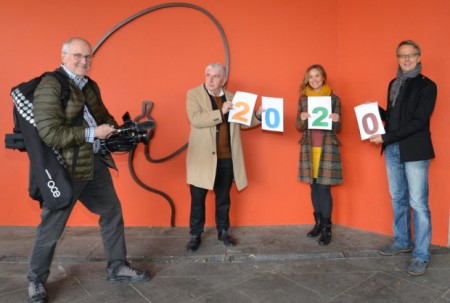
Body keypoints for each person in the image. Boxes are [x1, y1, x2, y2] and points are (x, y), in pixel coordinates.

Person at [27, 37, 150, 303]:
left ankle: (117, 267)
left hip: (93, 163)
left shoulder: (90, 85)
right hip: (64, 169)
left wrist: (118, 131)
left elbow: (103, 116)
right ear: (63, 56)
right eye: (78, 56)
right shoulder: (51, 85)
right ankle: (36, 280)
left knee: (111, 212)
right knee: (51, 227)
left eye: (88, 57)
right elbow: (49, 133)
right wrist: (94, 132)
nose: (84, 61)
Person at [370, 40, 437, 276]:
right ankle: (402, 242)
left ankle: (421, 254)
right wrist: (375, 112)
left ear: (419, 57)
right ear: (397, 58)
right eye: (402, 55)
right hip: (393, 149)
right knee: (397, 197)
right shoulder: (393, 83)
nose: (406, 59)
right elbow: (394, 117)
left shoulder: (428, 86)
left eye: (411, 55)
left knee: (418, 203)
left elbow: (419, 122)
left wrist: (387, 137)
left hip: (415, 150)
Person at [185, 62, 263, 252]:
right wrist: (221, 112)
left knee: (223, 198)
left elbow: (242, 123)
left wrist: (258, 116)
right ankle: (195, 234)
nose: (210, 79)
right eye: (208, 75)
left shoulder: (233, 97)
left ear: (224, 79)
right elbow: (195, 119)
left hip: (227, 157)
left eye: (215, 76)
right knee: (197, 198)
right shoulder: (193, 94)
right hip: (202, 158)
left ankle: (223, 231)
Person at [296, 64, 343, 246]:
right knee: (313, 186)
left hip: (327, 148)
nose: (314, 79)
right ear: (307, 79)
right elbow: (298, 127)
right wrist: (301, 119)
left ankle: (326, 227)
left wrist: (337, 120)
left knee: (324, 188)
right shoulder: (302, 100)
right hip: (309, 148)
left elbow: (339, 127)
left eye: (318, 76)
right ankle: (317, 223)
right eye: (311, 76)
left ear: (324, 77)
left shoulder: (334, 99)